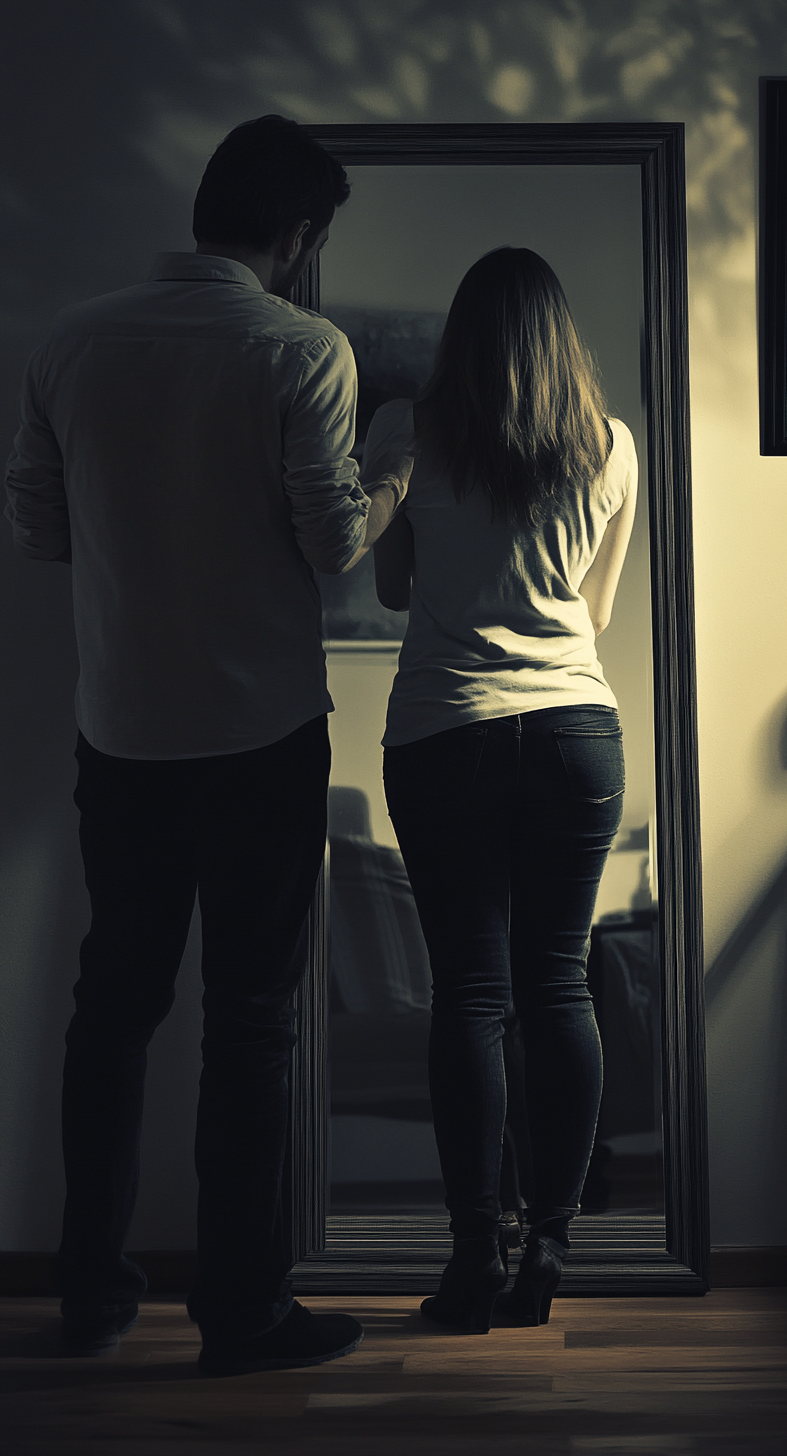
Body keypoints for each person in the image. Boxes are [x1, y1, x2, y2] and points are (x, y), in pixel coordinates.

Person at [4, 114, 412, 1377]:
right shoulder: (302, 348)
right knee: (249, 1022)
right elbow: (335, 543)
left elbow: (38, 531)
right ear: (299, 235)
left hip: (123, 732)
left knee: (110, 1012)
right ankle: (240, 1312)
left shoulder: (73, 338)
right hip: (259, 737)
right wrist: (391, 473)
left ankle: (90, 1291)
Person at [370, 246, 638, 1333]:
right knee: (559, 985)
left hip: (447, 733)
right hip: (577, 731)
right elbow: (598, 610)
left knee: (471, 996)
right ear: (562, 337)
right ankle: (553, 1244)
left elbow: (392, 587)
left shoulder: (405, 429)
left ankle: (473, 1255)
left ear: (461, 336)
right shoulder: (613, 445)